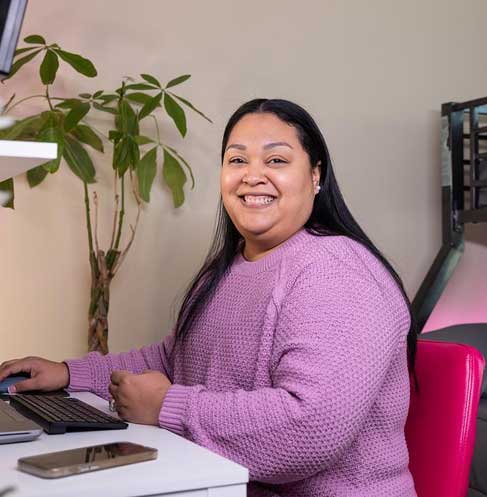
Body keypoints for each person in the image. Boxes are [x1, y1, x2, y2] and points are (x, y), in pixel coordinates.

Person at [0, 99, 418, 497]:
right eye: (237, 160)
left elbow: (310, 426)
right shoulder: (229, 268)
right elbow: (176, 357)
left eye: (276, 160)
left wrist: (167, 406)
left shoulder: (337, 271)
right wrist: (70, 375)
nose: (252, 176)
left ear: (315, 175)